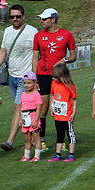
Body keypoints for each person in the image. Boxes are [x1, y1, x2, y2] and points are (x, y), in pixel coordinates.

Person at [0, 5, 38, 152]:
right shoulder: (7, 31)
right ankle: (34, 137)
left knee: (19, 107)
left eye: (17, 16)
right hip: (12, 76)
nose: (15, 19)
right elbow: (3, 52)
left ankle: (10, 141)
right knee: (25, 109)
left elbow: (36, 55)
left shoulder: (31, 31)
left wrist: (34, 77)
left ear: (23, 16)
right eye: (12, 17)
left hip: (26, 77)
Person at [33, 8, 77, 147]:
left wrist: (64, 59)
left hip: (60, 77)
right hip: (43, 75)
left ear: (53, 20)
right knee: (44, 107)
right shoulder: (38, 36)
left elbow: (73, 56)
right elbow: (35, 57)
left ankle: (62, 140)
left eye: (44, 19)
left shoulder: (67, 34)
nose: (41, 21)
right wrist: (34, 78)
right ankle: (42, 140)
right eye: (41, 19)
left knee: (62, 107)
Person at [47, 62, 77, 161]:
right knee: (59, 134)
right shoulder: (54, 83)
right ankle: (57, 154)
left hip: (67, 115)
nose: (53, 79)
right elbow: (53, 95)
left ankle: (71, 154)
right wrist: (52, 106)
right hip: (58, 115)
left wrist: (73, 112)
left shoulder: (70, 86)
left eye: (55, 77)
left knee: (70, 134)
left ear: (62, 77)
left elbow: (74, 99)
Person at [18, 73, 43, 162]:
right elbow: (22, 107)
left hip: (33, 117)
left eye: (29, 83)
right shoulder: (23, 94)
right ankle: (26, 156)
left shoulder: (36, 94)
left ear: (34, 82)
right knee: (27, 139)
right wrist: (20, 119)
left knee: (36, 138)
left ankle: (37, 156)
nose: (26, 85)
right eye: (25, 83)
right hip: (25, 118)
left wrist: (36, 120)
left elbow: (39, 107)